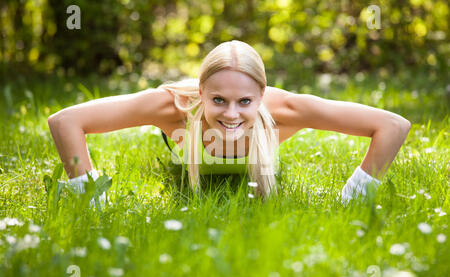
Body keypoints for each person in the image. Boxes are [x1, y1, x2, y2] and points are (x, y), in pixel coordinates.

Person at [47, 40, 411, 207]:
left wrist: (354, 197)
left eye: (246, 102)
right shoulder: (172, 106)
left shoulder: (287, 110)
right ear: (201, 91)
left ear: (263, 94)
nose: (231, 114)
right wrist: (88, 199)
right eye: (218, 100)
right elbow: (66, 121)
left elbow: (393, 126)